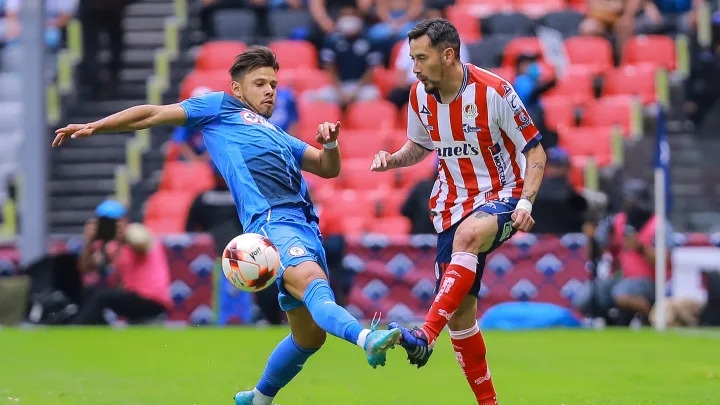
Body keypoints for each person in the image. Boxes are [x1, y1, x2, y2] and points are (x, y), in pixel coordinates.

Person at [52, 46, 401, 405]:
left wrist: (330, 145)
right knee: (314, 286)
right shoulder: (220, 108)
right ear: (237, 89)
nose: (269, 90)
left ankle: (257, 399)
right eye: (259, 83)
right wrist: (97, 125)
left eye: (273, 84)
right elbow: (153, 114)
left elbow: (328, 168)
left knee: (309, 338)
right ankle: (365, 338)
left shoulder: (277, 134)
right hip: (273, 223)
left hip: (306, 227)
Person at [370, 19, 547, 404]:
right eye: (412, 58)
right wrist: (392, 160)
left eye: (421, 57)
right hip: (450, 205)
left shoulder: (494, 91)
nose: (414, 68)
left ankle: (422, 336)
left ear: (448, 55)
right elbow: (419, 147)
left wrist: (526, 201)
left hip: (502, 194)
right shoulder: (420, 94)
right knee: (462, 318)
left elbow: (535, 150)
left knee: (469, 238)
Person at [74, 200, 171, 325]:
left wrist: (122, 234)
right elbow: (87, 268)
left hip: (151, 299)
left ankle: (77, 327)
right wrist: (89, 242)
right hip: (132, 297)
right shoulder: (111, 245)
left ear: (124, 220)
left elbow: (141, 244)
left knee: (101, 297)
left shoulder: (137, 231)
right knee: (90, 292)